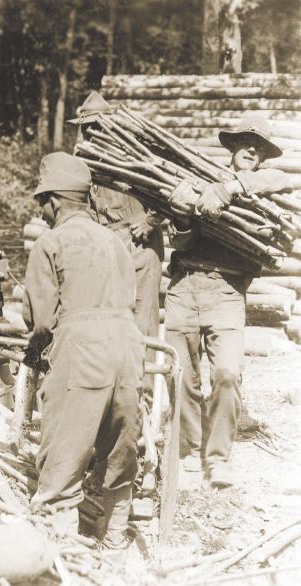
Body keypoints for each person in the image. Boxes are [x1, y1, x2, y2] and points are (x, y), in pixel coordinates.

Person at [23, 152, 144, 549]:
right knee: (119, 444)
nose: (41, 210)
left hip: (82, 350)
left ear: (54, 201)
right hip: (128, 348)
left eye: (42, 201)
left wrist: (36, 349)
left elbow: (41, 321)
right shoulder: (117, 241)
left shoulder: (50, 243)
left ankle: (59, 546)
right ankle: (113, 536)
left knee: (66, 444)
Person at [165, 115, 291, 488]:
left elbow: (282, 179)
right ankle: (188, 451)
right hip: (185, 283)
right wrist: (183, 218)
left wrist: (232, 188)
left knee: (226, 375)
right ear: (233, 147)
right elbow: (178, 242)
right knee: (182, 376)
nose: (252, 149)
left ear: (263, 156)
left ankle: (217, 458)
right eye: (245, 142)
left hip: (227, 290)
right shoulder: (199, 177)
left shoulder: (264, 190)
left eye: (259, 146)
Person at [70, 91, 165, 347]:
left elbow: (169, 193)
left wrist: (150, 221)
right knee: (107, 319)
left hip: (139, 247)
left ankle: (144, 385)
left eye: (94, 127)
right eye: (85, 129)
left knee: (142, 319)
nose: (88, 134)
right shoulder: (85, 163)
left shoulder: (132, 156)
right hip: (105, 248)